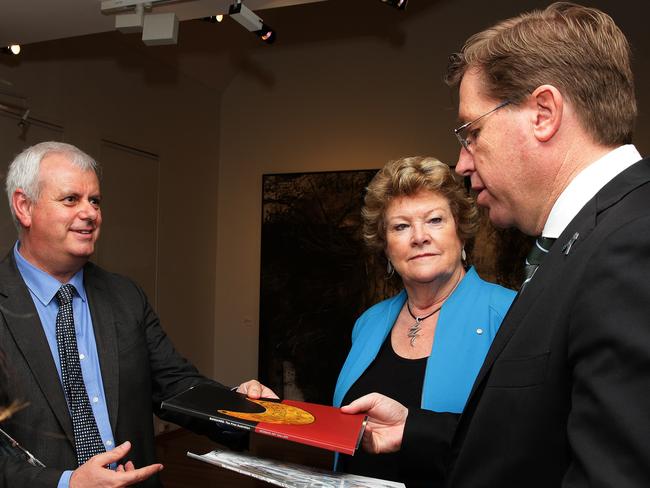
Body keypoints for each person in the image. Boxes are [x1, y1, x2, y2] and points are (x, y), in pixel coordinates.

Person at [341, 3, 650, 487]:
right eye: (400, 228)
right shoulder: (584, 242)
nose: (463, 163)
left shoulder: (632, 242)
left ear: (543, 114)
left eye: (472, 132)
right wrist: (414, 429)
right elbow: (539, 443)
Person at [0, 141, 276, 488]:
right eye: (71, 199)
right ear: (24, 207)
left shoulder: (125, 296)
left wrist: (237, 404)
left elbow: (174, 384)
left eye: (95, 201)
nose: (90, 213)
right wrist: (67, 483)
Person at [333, 157, 515, 486]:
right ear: (386, 247)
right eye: (401, 226)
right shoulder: (368, 323)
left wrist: (415, 431)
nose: (419, 237)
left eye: (434, 220)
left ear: (461, 233)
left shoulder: (510, 315)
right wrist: (276, 417)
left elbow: (523, 443)